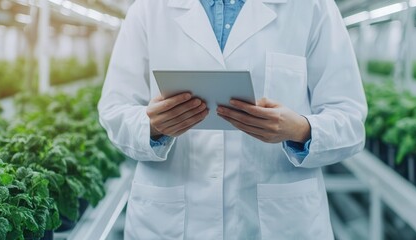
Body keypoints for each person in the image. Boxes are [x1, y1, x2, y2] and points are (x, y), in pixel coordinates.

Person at [98, 0, 367, 239]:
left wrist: (299, 130)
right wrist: (152, 126)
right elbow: (114, 109)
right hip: (171, 220)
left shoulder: (313, 7)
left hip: (279, 220)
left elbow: (350, 118)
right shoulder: (148, 9)